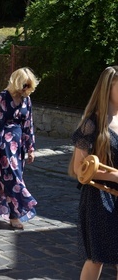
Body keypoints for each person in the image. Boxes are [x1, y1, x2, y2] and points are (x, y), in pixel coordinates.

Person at [68, 66, 118, 279]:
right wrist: (115, 176)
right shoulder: (92, 123)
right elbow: (80, 169)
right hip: (99, 198)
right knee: (96, 258)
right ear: (109, 88)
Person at [0, 67, 39, 230]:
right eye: (24, 85)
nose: (26, 89)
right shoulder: (3, 97)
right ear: (16, 82)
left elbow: (29, 125)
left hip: (18, 143)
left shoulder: (26, 100)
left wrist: (31, 148)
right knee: (12, 178)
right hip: (4, 144)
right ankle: (20, 210)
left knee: (8, 179)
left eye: (29, 86)